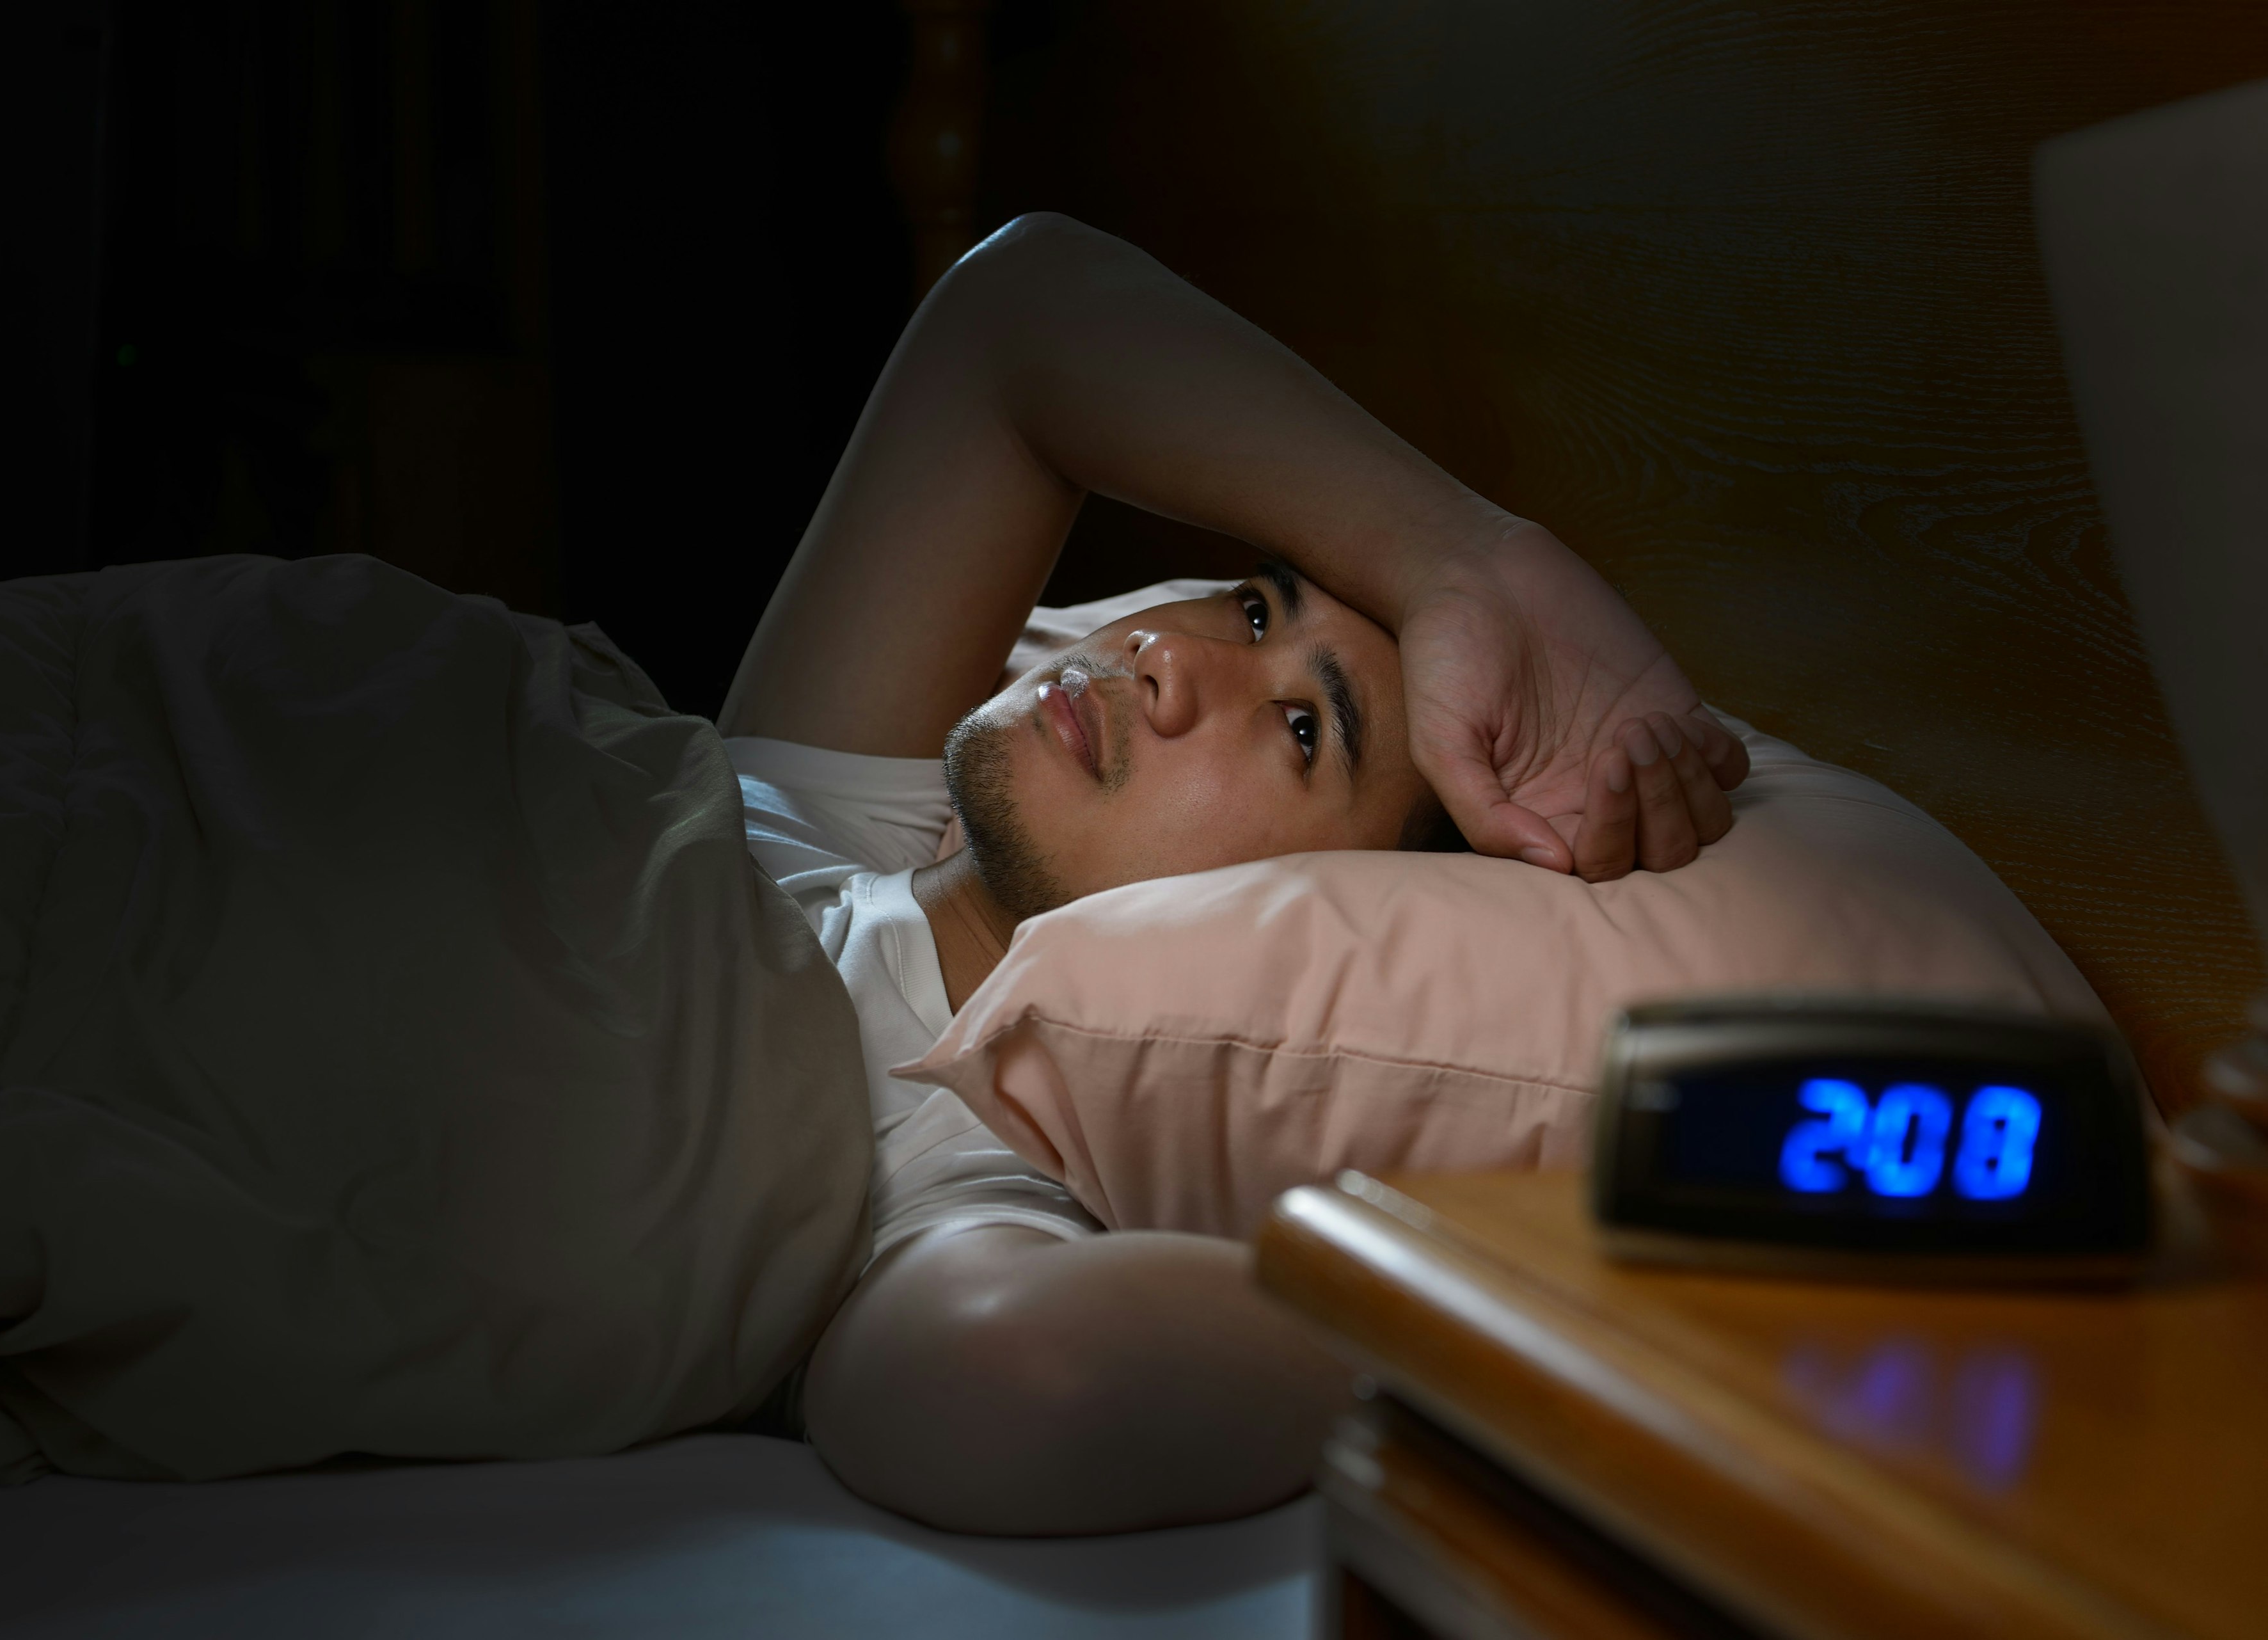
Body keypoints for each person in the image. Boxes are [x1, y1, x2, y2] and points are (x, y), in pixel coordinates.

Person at [714, 213, 1747, 1534]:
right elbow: (1016, 315)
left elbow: (1027, 1377)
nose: (1166, 653)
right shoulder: (813, 811)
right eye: (1258, 609)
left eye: (1306, 728)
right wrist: (1470, 565)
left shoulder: (923, 1152)